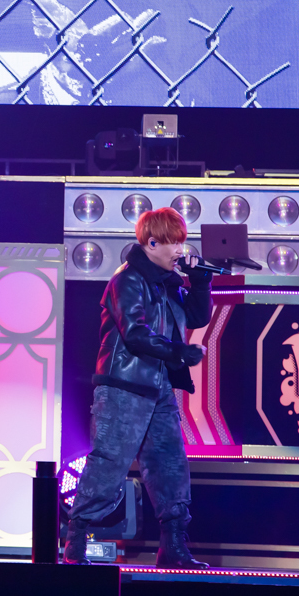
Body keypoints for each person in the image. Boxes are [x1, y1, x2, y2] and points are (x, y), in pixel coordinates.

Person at [64, 207, 213, 569]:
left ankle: (173, 548)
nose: (180, 250)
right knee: (109, 464)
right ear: (151, 243)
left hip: (158, 387)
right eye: (173, 243)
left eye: (182, 241)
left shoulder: (167, 282)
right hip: (123, 386)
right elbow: (134, 333)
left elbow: (196, 317)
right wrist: (178, 351)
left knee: (169, 465)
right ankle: (75, 541)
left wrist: (200, 282)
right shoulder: (127, 280)